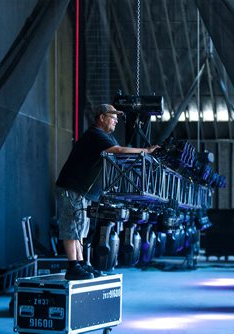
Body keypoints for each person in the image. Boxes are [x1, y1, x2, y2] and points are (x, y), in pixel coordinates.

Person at [56, 104, 160, 280]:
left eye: (117, 118)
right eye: (113, 117)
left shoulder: (104, 137)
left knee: (80, 229)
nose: (116, 120)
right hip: (73, 188)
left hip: (82, 192)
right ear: (101, 117)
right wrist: (145, 151)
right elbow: (119, 151)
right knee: (72, 227)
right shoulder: (96, 135)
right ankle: (72, 266)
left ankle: (81, 264)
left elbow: (119, 152)